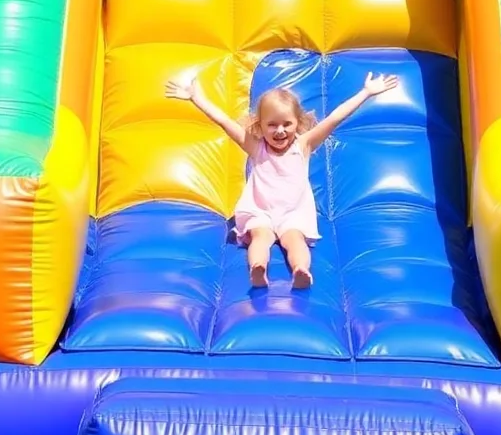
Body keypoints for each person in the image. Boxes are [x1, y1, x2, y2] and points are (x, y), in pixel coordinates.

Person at [166, 71, 398, 289]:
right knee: (260, 237)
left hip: (293, 213)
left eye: (287, 124)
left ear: (298, 122)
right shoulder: (255, 147)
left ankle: (300, 270)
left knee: (295, 241)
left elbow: (335, 118)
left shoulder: (303, 145)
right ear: (259, 125)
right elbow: (225, 122)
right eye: (272, 125)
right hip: (260, 211)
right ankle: (258, 268)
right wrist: (196, 98)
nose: (280, 131)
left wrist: (366, 92)